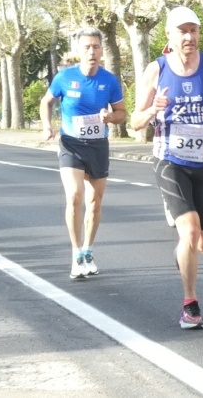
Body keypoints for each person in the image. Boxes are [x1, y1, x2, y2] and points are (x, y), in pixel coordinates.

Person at [131, 6, 203, 329]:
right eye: (182, 31)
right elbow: (135, 121)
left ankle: (184, 250)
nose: (189, 36)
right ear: (169, 35)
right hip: (170, 160)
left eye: (194, 30)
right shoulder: (157, 69)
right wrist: (153, 110)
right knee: (190, 231)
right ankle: (190, 306)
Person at [40, 27, 125, 279]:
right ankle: (76, 254)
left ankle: (88, 250)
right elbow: (46, 102)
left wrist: (110, 117)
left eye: (96, 47)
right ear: (79, 50)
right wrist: (47, 125)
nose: (92, 52)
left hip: (98, 145)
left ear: (101, 50)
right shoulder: (64, 77)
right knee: (75, 195)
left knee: (95, 202)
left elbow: (122, 113)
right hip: (71, 144)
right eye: (87, 47)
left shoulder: (109, 80)